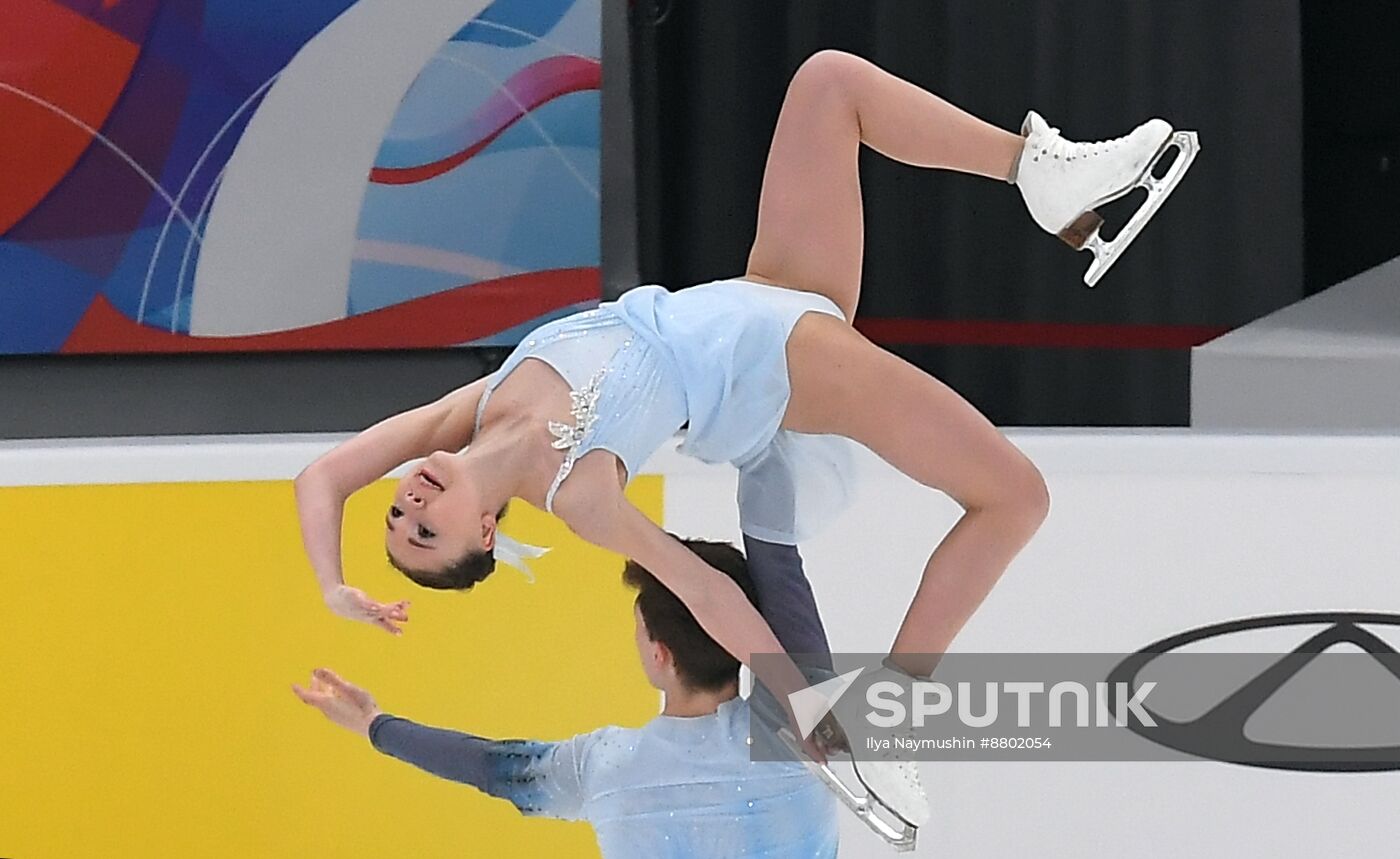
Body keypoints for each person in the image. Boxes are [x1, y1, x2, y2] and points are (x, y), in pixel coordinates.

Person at [295, 49, 1192, 763]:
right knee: (1015, 495)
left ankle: (1049, 179)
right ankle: (893, 709)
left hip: (761, 291)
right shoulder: (578, 497)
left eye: (397, 512)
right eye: (424, 532)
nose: (408, 503)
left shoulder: (475, 408)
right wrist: (803, 702)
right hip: (779, 364)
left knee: (828, 83)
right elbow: (704, 590)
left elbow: (324, 473)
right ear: (484, 533)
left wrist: (335, 583)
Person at [292, 539, 840, 859]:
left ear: (661, 655)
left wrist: (375, 724)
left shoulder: (608, 767)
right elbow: (780, 562)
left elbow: (489, 765)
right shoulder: (805, 729)